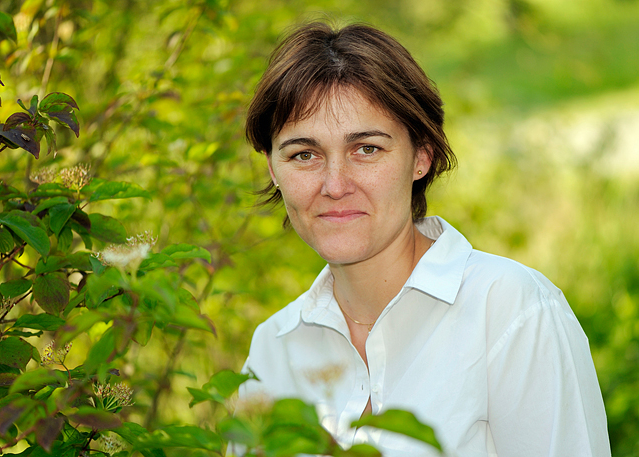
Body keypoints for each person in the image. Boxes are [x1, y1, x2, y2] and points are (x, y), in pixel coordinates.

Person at [238, 22, 611, 457]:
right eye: (304, 154)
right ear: (272, 169)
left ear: (422, 156)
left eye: (367, 149)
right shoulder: (272, 351)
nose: (335, 184)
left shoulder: (512, 312)